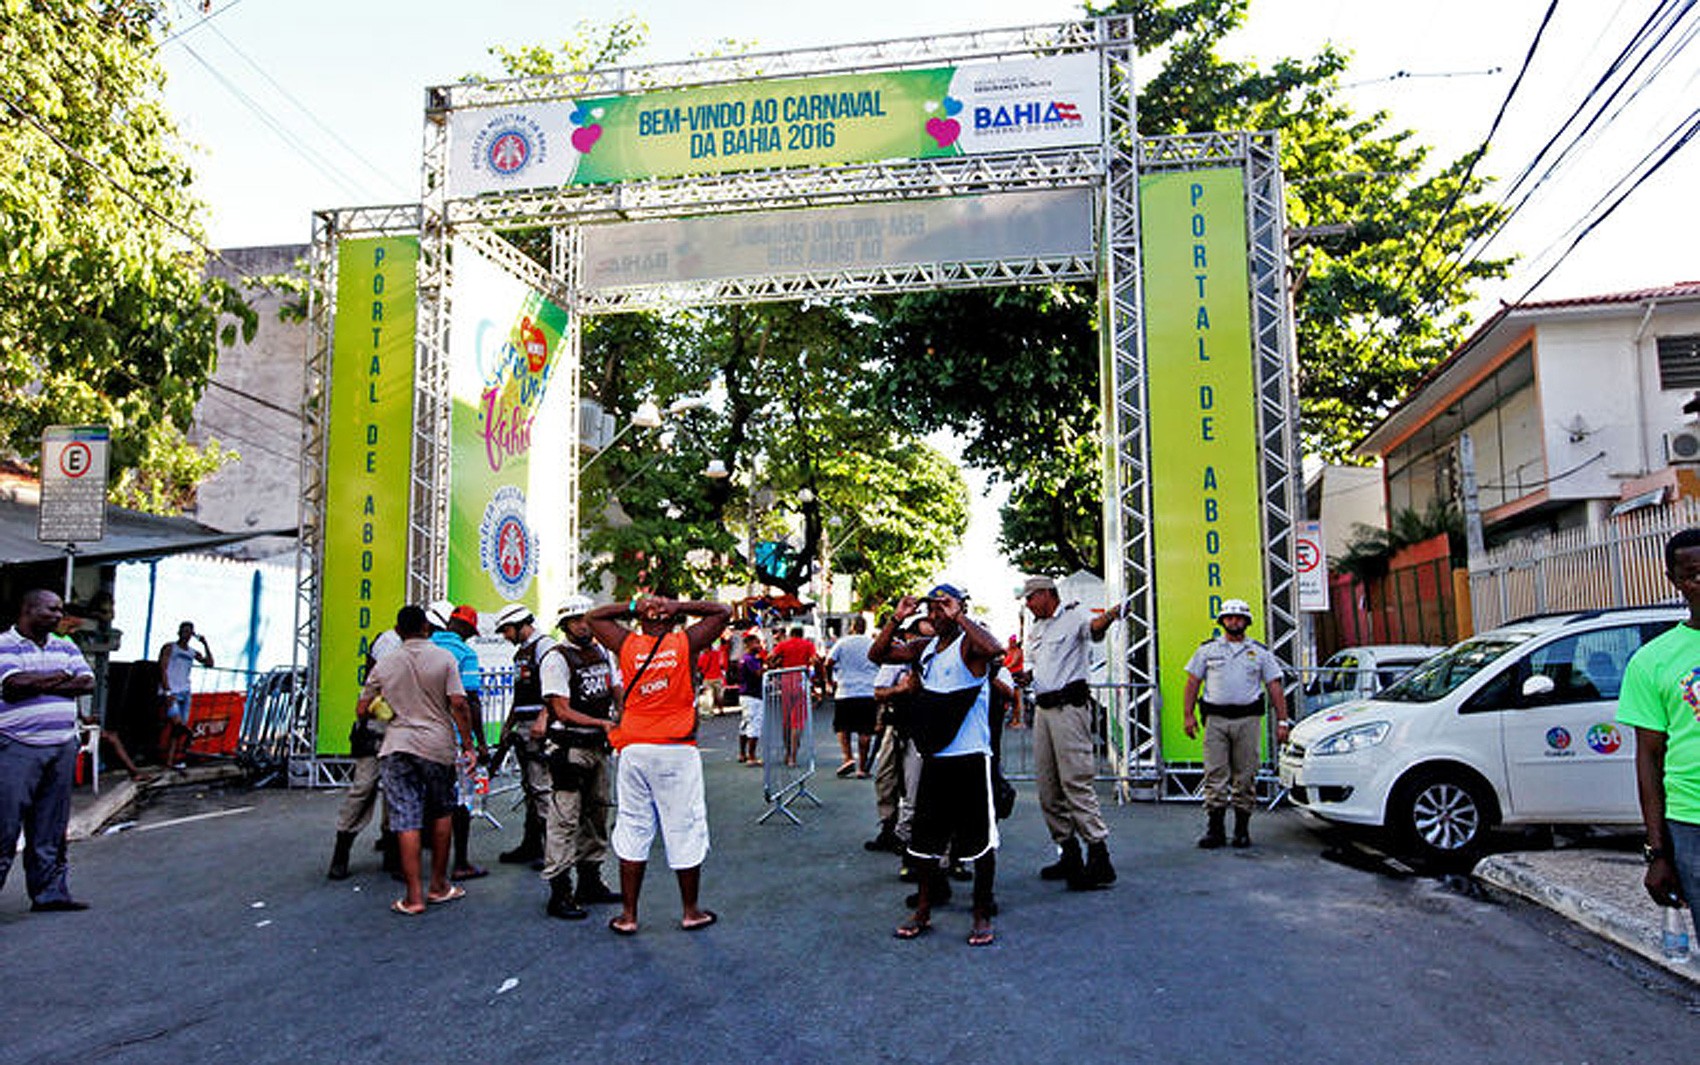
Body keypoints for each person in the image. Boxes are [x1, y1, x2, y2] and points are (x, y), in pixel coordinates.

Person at [586, 594, 730, 935]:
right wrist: (680, 606)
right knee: (684, 825)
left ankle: (629, 915)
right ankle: (690, 911)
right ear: (671, 620)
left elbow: (594, 617)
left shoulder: (627, 643)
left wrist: (636, 607)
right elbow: (723, 611)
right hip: (676, 750)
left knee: (634, 825)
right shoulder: (685, 642)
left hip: (634, 749)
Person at [871, 584, 1003, 947]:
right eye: (931, 608)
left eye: (943, 606)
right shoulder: (924, 648)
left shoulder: (970, 645)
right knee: (924, 841)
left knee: (979, 841)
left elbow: (995, 650)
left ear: (960, 607)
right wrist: (897, 618)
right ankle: (923, 910)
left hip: (971, 758)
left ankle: (980, 913)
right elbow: (877, 655)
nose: (936, 613)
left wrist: (959, 614)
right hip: (936, 757)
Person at [355, 605, 478, 915]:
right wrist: (468, 746)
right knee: (441, 812)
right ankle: (439, 886)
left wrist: (387, 708)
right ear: (426, 627)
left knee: (405, 818)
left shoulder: (386, 663)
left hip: (396, 745)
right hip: (437, 745)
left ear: (398, 630)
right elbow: (460, 704)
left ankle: (413, 897)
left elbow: (362, 708)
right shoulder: (444, 657)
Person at [1618, 528, 1700, 934]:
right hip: (1691, 822)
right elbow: (1649, 758)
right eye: (1694, 574)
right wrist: (1657, 852)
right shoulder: (1651, 662)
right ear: (1675, 581)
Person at [1017, 575, 1122, 890]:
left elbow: (1094, 630)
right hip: (1044, 709)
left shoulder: (1073, 617)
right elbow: (1036, 666)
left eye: (1031, 597)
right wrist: (1024, 678)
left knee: (1076, 781)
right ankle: (1069, 851)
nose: (1028, 603)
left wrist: (1111, 615)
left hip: (1069, 709)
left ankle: (1099, 854)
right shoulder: (1037, 628)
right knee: (1048, 787)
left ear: (1047, 594)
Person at [0, 589, 95, 911]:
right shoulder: (4, 644)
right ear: (28, 610)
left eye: (60, 610)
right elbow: (13, 686)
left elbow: (86, 682)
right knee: (4, 824)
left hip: (61, 745)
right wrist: (58, 676)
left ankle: (50, 892)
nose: (58, 615)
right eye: (51, 609)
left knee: (51, 826)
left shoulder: (65, 645)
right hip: (16, 745)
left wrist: (38, 681)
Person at [535, 595, 621, 920]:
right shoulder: (556, 658)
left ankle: (591, 880)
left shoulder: (602, 653)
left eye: (587, 619)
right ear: (566, 626)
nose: (583, 625)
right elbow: (561, 709)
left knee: (597, 813)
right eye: (576, 620)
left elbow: (615, 687)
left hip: (598, 745)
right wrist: (603, 722)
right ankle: (559, 890)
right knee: (565, 818)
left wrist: (623, 716)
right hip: (570, 746)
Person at [1182, 598, 1290, 849]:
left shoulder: (1260, 652)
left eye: (1239, 618)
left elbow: (1274, 686)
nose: (1234, 622)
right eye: (1229, 618)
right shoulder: (1207, 650)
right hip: (1216, 721)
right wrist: (1188, 715)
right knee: (1215, 774)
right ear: (1222, 621)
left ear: (1247, 622)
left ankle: (1242, 830)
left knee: (1246, 775)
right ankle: (1215, 830)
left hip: (1247, 721)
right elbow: (1192, 683)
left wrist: (1282, 721)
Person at [327, 617, 400, 881]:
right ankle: (342, 849)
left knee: (395, 791)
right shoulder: (390, 644)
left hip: (395, 726)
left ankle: (391, 850)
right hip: (377, 726)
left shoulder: (403, 644)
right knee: (364, 787)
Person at [428, 601, 490, 881]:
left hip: (419, 739)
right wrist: (478, 743)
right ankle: (460, 862)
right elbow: (469, 702)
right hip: (451, 738)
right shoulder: (464, 653)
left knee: (422, 802)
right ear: (466, 629)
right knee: (460, 802)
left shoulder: (423, 648)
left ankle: (406, 866)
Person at [493, 603, 554, 867]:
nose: (505, 636)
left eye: (506, 630)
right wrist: (509, 724)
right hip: (524, 724)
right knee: (529, 787)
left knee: (542, 788)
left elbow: (556, 687)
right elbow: (521, 694)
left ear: (520, 625)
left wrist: (544, 718)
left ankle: (553, 851)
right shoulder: (522, 653)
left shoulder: (545, 647)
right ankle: (532, 845)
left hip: (540, 727)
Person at [825, 616, 881, 777]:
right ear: (865, 627)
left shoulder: (843, 643)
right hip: (868, 691)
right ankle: (862, 768)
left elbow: (828, 663)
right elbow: (881, 662)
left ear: (852, 627)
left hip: (845, 690)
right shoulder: (872, 643)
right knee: (865, 731)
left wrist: (830, 681)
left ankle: (848, 757)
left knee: (843, 727)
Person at [157, 621, 212, 770]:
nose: (186, 635)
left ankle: (171, 759)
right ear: (179, 632)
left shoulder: (192, 652)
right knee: (177, 723)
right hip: (171, 691)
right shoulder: (170, 648)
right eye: (184, 631)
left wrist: (205, 644)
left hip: (185, 691)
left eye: (189, 632)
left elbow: (209, 663)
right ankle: (188, 741)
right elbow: (162, 668)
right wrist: (167, 690)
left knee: (177, 729)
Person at [768, 625, 819, 767]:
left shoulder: (783, 645)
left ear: (791, 634)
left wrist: (776, 665)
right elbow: (815, 660)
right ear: (802, 634)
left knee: (786, 720)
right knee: (797, 722)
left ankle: (787, 751)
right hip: (800, 682)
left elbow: (770, 658)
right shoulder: (808, 645)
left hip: (785, 682)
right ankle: (793, 757)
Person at [734, 631, 765, 765]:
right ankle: (751, 756)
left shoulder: (745, 658)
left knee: (745, 724)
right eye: (757, 643)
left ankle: (742, 753)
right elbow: (758, 673)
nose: (759, 645)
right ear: (750, 644)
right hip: (753, 695)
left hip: (745, 693)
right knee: (754, 725)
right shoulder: (750, 659)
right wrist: (767, 668)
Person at [696, 636, 729, 716]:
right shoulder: (718, 654)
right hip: (719, 677)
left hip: (707, 678)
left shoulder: (703, 656)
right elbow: (723, 664)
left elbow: (699, 667)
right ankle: (721, 710)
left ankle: (710, 711)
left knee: (709, 696)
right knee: (719, 695)